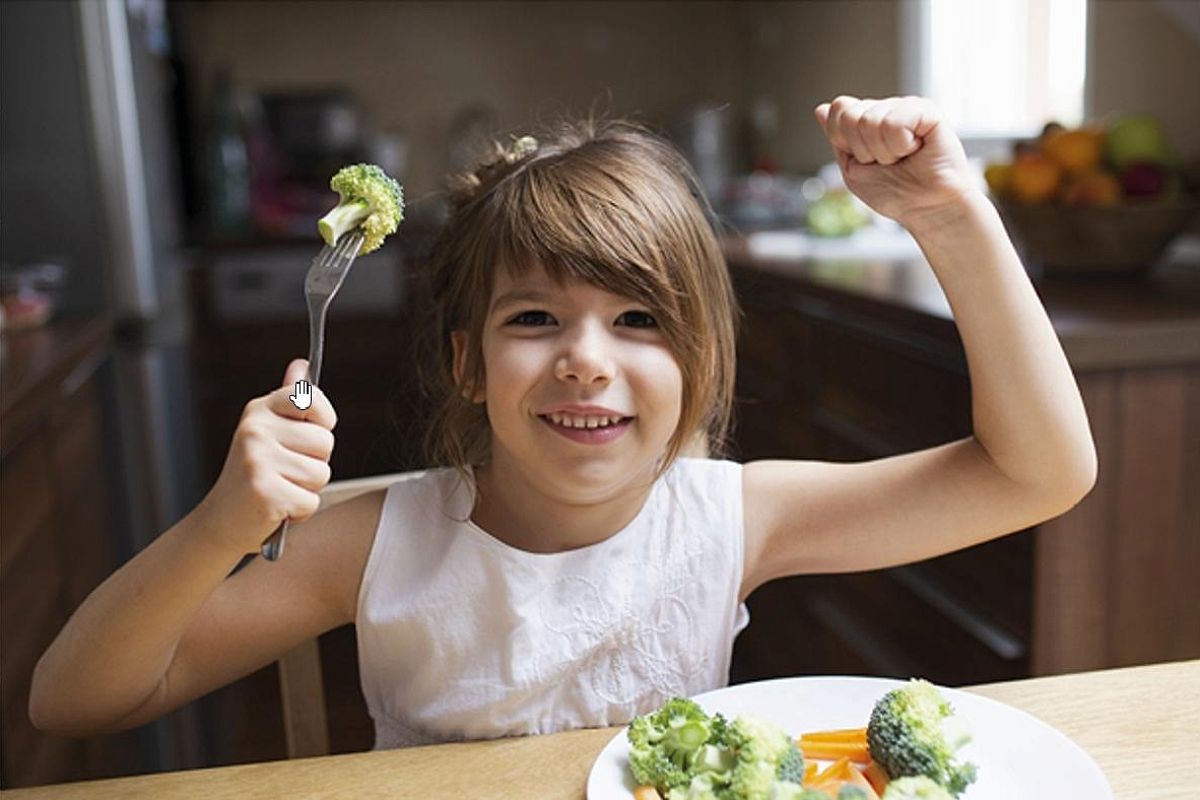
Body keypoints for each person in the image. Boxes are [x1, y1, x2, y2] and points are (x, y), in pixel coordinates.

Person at [30, 96, 1096, 748]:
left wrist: (952, 215)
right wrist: (223, 521)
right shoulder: (372, 545)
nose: (587, 355)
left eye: (640, 320)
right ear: (468, 363)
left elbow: (1037, 472)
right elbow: (76, 700)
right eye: (535, 318)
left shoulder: (734, 516)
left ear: (700, 361)